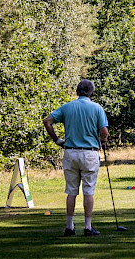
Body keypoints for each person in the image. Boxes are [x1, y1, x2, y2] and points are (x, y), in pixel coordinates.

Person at [43, 79, 109, 237]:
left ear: (77, 91)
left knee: (71, 191)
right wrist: (103, 142)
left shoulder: (67, 107)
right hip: (90, 153)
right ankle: (87, 227)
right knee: (88, 191)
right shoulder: (97, 108)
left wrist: (57, 140)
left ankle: (70, 226)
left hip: (71, 151)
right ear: (92, 92)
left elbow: (47, 121)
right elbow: (104, 132)